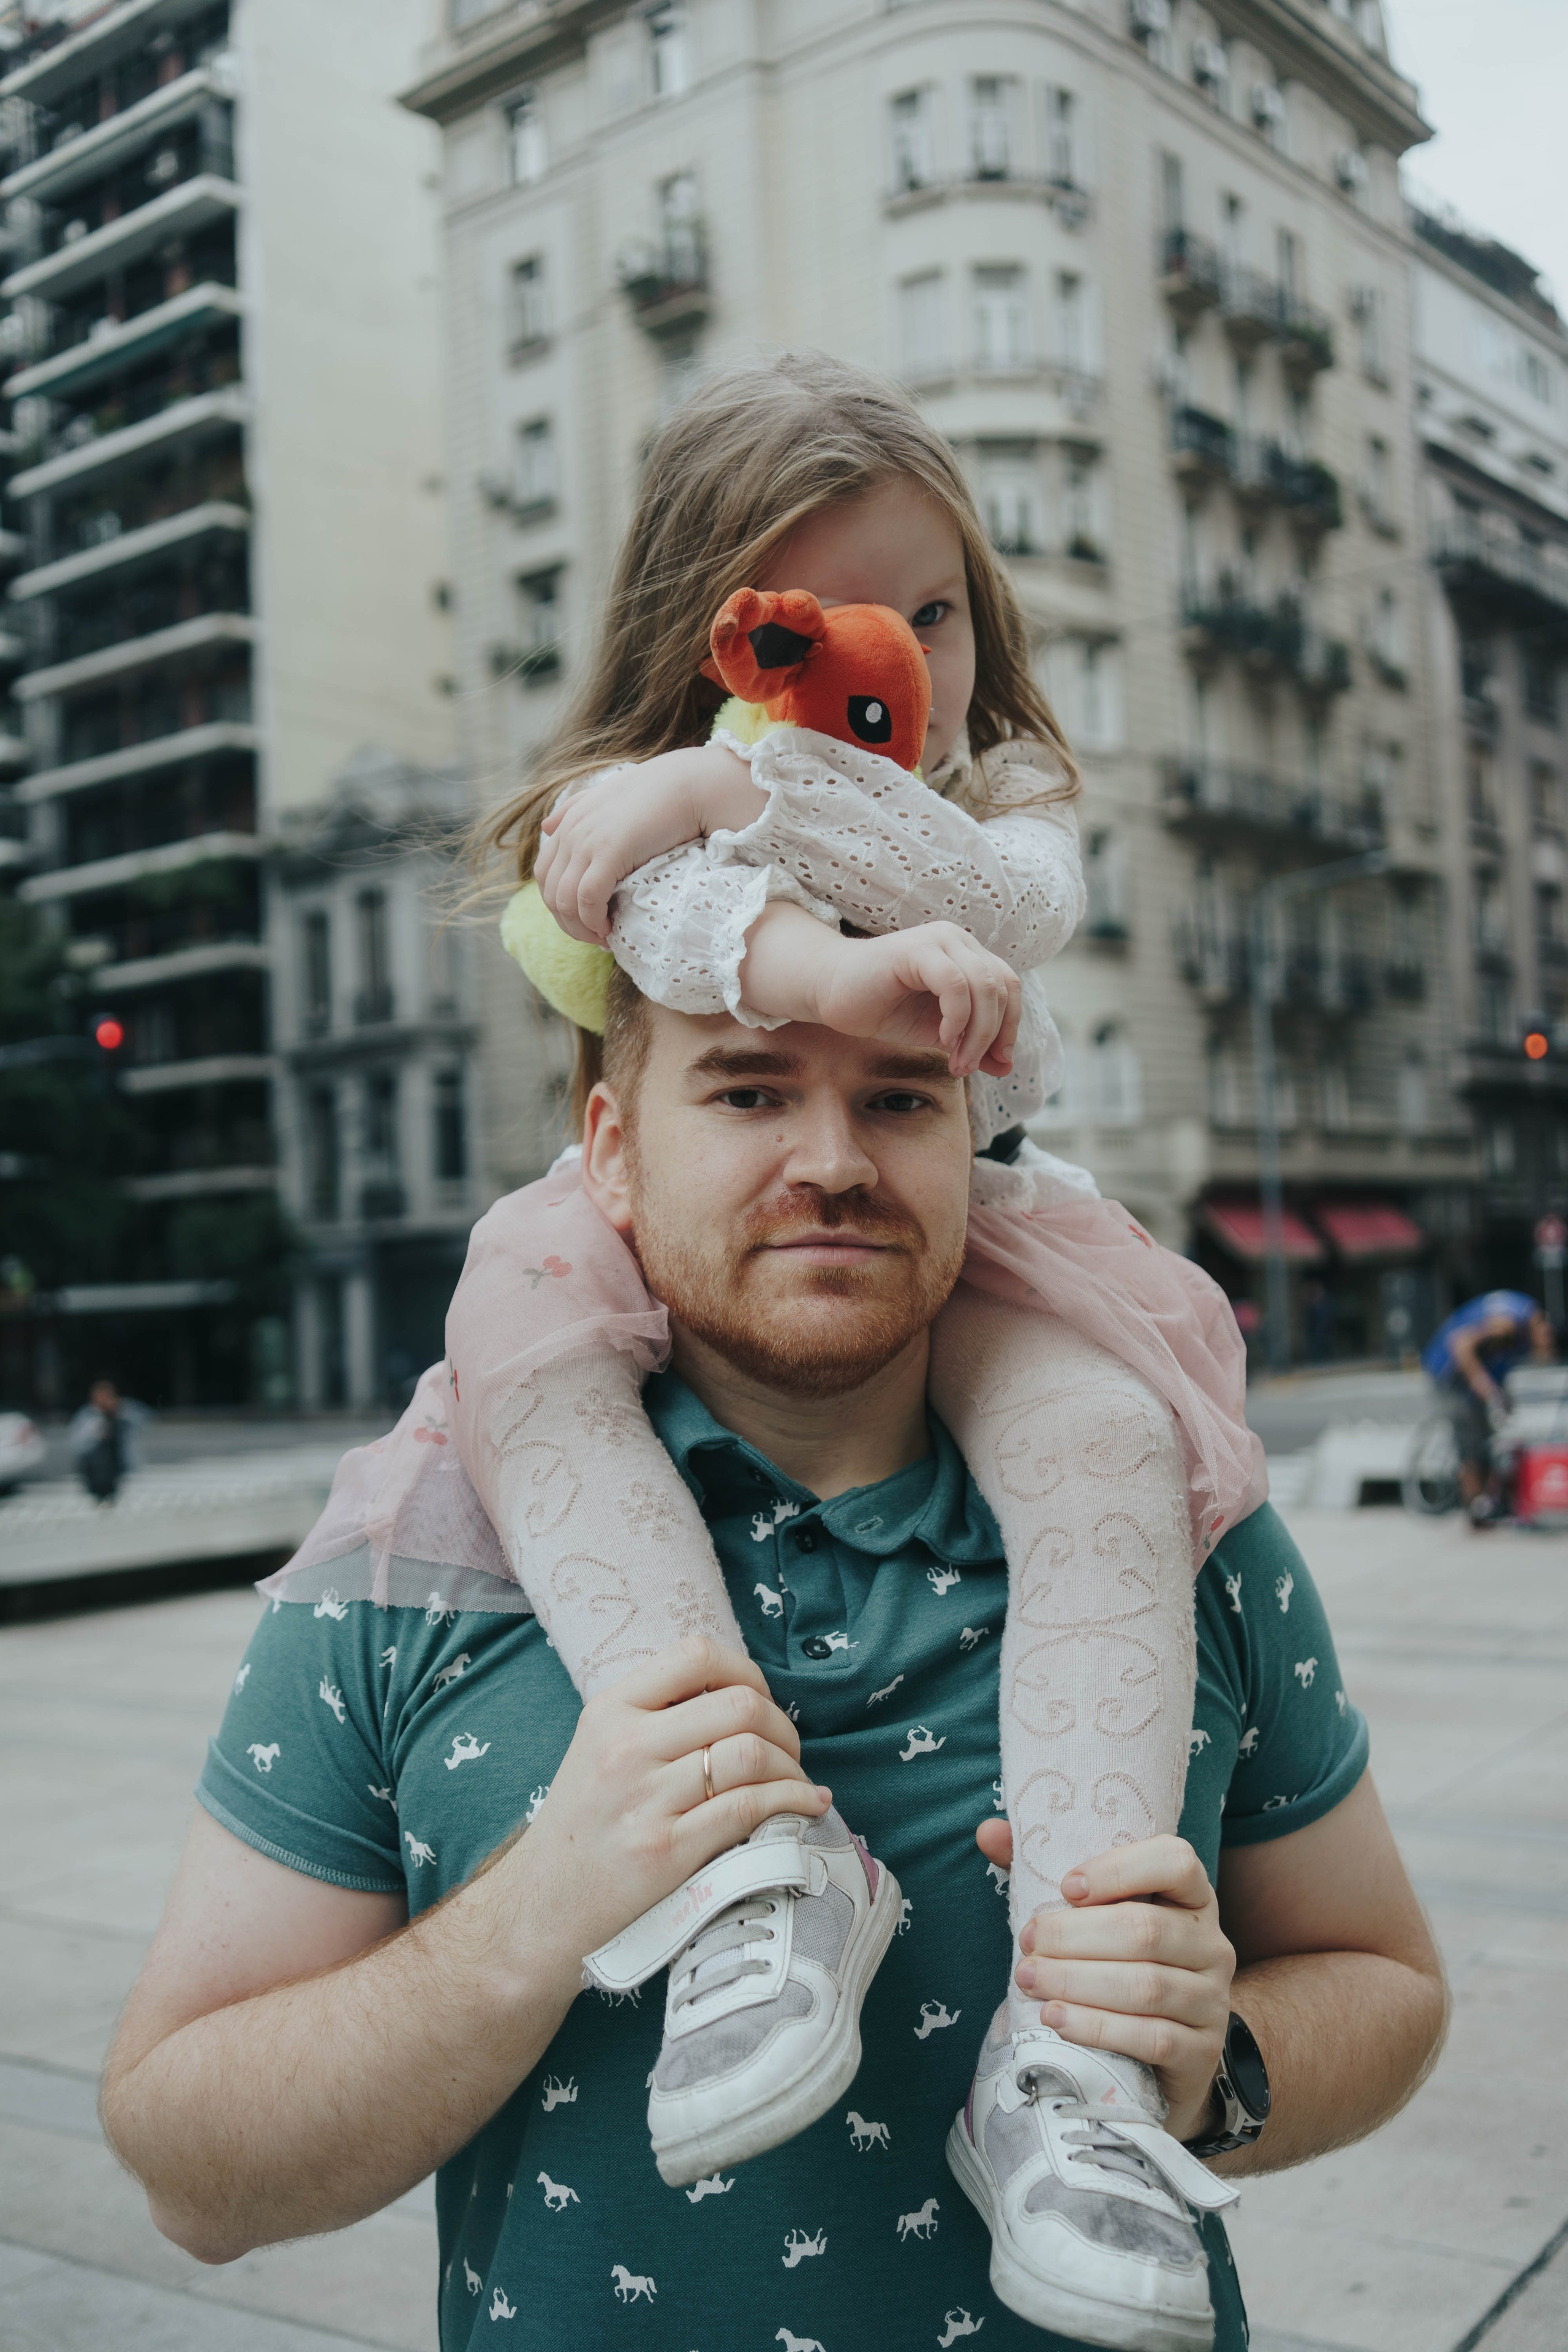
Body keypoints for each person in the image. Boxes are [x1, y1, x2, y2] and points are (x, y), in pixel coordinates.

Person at [101, 984, 1447, 2352]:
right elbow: (191, 2175)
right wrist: (533, 1919)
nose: (834, 1162)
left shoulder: (1180, 1539)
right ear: (612, 1151)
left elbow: (1383, 1980)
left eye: (899, 1099)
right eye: (747, 1092)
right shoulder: (417, 1561)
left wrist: (1210, 2064)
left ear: (971, 1140)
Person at [314, 356, 1261, 2253]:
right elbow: (641, 926)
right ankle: (755, 1853)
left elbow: (1014, 906)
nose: (896, 650)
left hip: (967, 1229)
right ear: (721, 630)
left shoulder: (997, 794)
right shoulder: (624, 811)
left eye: (930, 609)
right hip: (626, 1241)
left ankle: (1071, 2052)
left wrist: (747, 788)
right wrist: (747, 853)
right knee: (517, 1332)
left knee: (1098, 1432)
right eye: (830, 615)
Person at [1420, 1289, 1556, 1521]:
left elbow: (1499, 1363)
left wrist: (1501, 1397)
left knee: (1488, 1436)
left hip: (1472, 1376)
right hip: (1448, 1372)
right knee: (1470, 1438)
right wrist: (1488, 1391)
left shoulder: (1523, 1330)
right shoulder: (1508, 1323)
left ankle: (1489, 1500)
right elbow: (1462, 1345)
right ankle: (1474, 1507)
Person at [67, 1377, 148, 1505]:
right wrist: (97, 1432)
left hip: (121, 1470)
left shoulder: (124, 1412)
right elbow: (77, 1444)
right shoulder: (87, 1416)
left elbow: (145, 1420)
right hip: (96, 1472)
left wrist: (121, 1409)